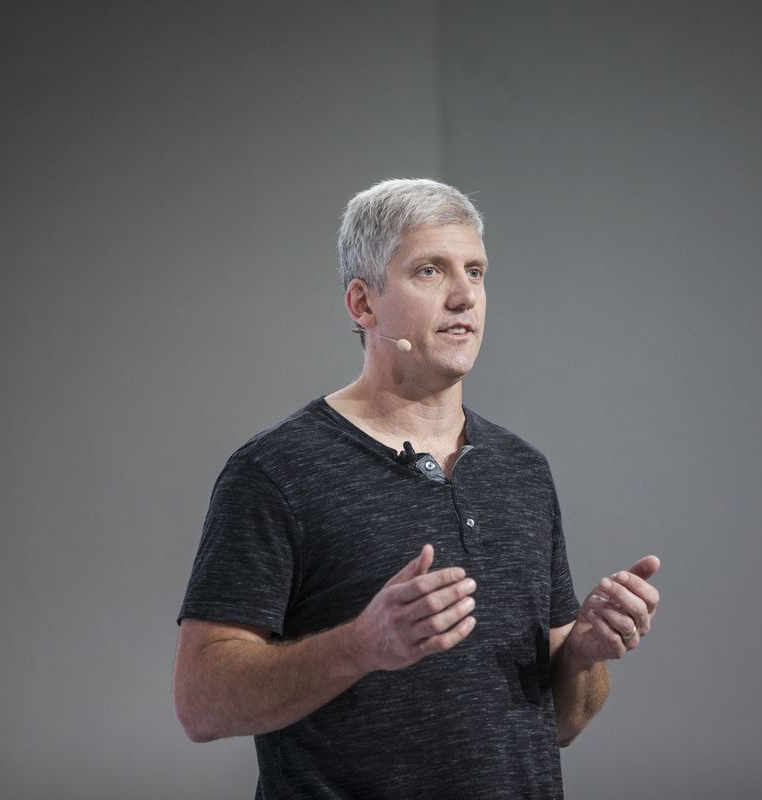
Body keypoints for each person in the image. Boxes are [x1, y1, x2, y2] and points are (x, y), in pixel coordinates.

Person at [173, 178, 660, 799]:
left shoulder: (522, 471)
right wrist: (359, 646)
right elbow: (201, 704)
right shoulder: (276, 471)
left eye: (476, 272)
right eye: (430, 271)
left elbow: (561, 723)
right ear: (363, 303)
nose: (464, 296)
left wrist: (584, 654)